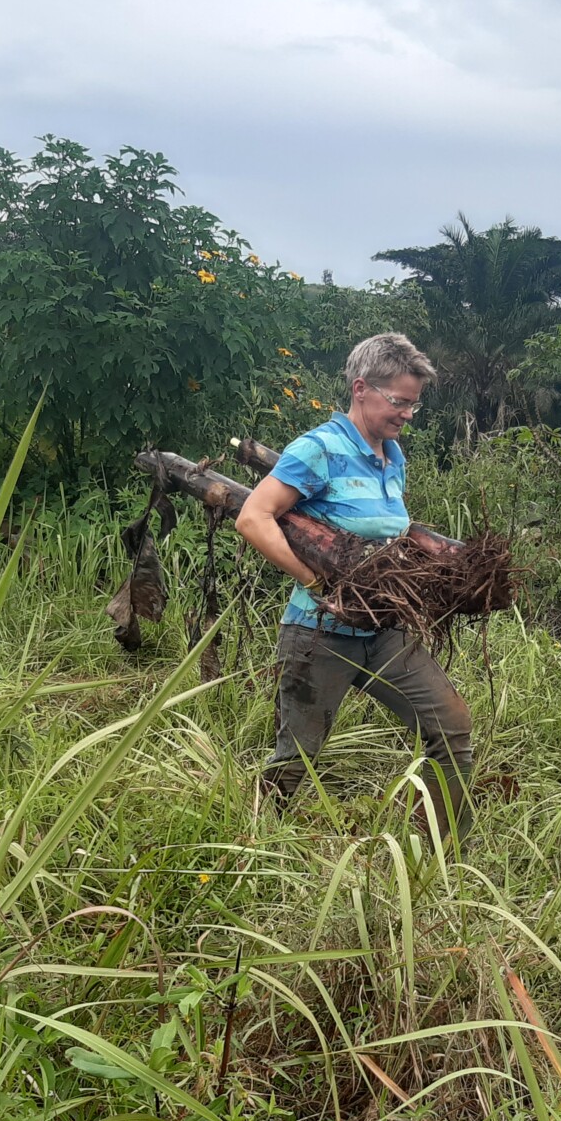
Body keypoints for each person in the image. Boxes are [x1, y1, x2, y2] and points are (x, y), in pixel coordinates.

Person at [235, 332, 474, 834]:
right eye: (400, 401)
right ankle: (256, 846)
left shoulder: (392, 456)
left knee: (450, 728)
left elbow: (391, 532)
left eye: (415, 404)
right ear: (362, 388)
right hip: (320, 633)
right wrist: (313, 581)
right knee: (295, 758)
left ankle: (436, 850)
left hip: (384, 630)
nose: (409, 413)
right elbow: (254, 518)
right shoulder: (318, 448)